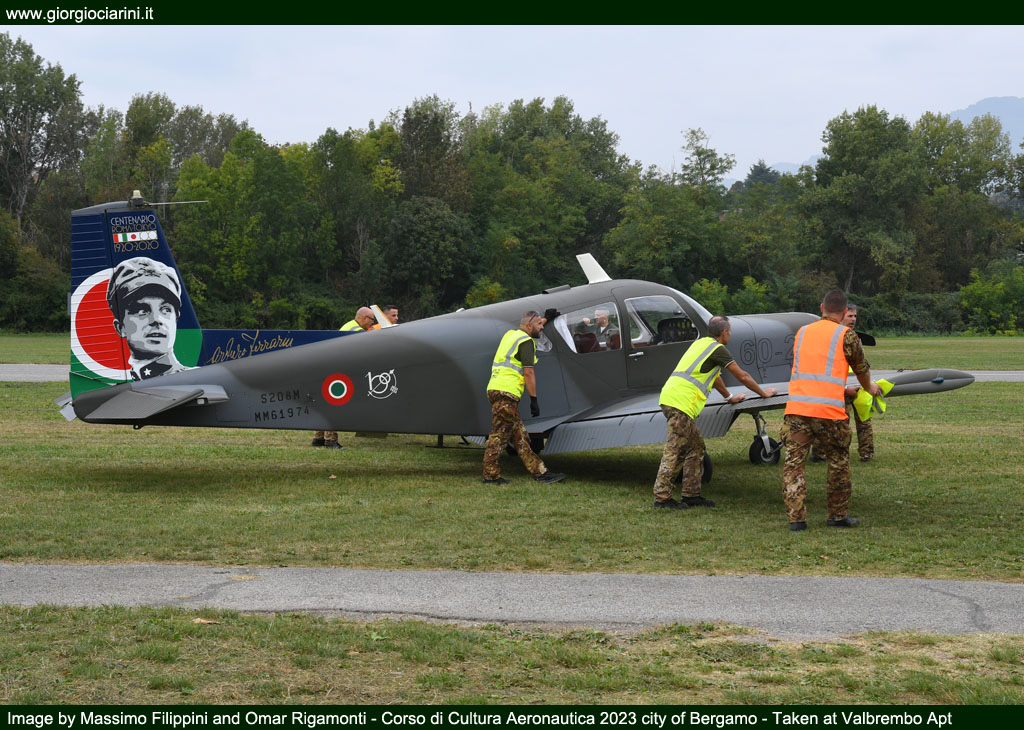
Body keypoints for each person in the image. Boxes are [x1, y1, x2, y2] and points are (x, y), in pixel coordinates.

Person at [781, 290, 882, 531]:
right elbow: (861, 367)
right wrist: (869, 387)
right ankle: (837, 516)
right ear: (845, 311)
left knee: (794, 465)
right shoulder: (847, 335)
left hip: (797, 408)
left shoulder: (802, 332)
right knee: (838, 462)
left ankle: (796, 520)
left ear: (821, 307)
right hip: (829, 411)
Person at [653, 315, 778, 509]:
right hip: (680, 403)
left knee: (696, 448)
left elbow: (715, 376)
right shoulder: (718, 349)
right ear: (724, 332)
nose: (730, 335)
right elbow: (742, 376)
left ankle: (691, 495)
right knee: (675, 450)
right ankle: (662, 498)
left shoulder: (701, 344)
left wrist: (729, 397)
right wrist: (764, 393)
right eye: (730, 332)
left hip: (672, 398)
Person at [482, 311, 566, 485]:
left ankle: (540, 472)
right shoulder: (526, 342)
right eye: (539, 325)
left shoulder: (511, 335)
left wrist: (545, 318)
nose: (542, 328)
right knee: (498, 435)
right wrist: (534, 400)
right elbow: (528, 372)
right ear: (529, 326)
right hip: (507, 393)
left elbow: (531, 324)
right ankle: (490, 475)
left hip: (495, 389)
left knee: (520, 436)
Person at [106, 256, 193, 381]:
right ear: (120, 327)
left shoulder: (194, 381)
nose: (157, 319)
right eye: (142, 311)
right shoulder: (121, 385)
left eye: (165, 310)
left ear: (175, 320)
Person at [809, 304, 874, 463]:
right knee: (830, 421)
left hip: (857, 385)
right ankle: (820, 454)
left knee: (864, 420)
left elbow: (861, 365)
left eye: (855, 316)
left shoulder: (854, 337)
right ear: (841, 316)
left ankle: (866, 453)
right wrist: (843, 388)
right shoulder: (833, 337)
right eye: (850, 316)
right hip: (838, 388)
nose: (853, 319)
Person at [312, 307, 376, 449]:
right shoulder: (357, 331)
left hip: (329, 369)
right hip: (337, 373)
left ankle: (318, 438)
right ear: (364, 318)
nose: (373, 323)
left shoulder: (348, 325)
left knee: (325, 404)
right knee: (335, 404)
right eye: (372, 320)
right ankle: (331, 441)